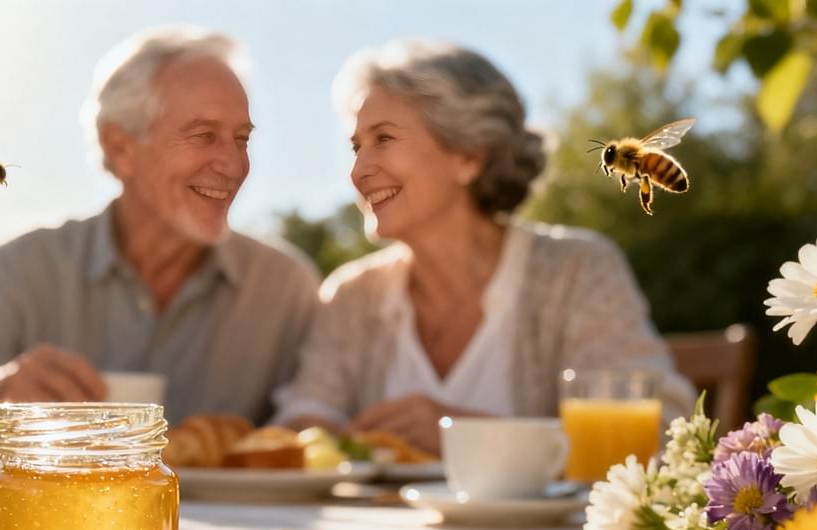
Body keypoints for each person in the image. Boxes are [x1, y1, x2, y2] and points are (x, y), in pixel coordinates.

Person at [0, 27, 320, 435]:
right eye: (204, 136)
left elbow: (325, 427)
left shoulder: (286, 289)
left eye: (241, 139)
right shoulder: (21, 268)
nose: (235, 165)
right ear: (121, 147)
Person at [273, 40, 694, 453]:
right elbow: (305, 413)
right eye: (356, 146)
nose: (358, 171)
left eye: (383, 138)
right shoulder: (353, 295)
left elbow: (664, 431)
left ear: (469, 156)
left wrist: (463, 436)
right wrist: (322, 433)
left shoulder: (577, 271)